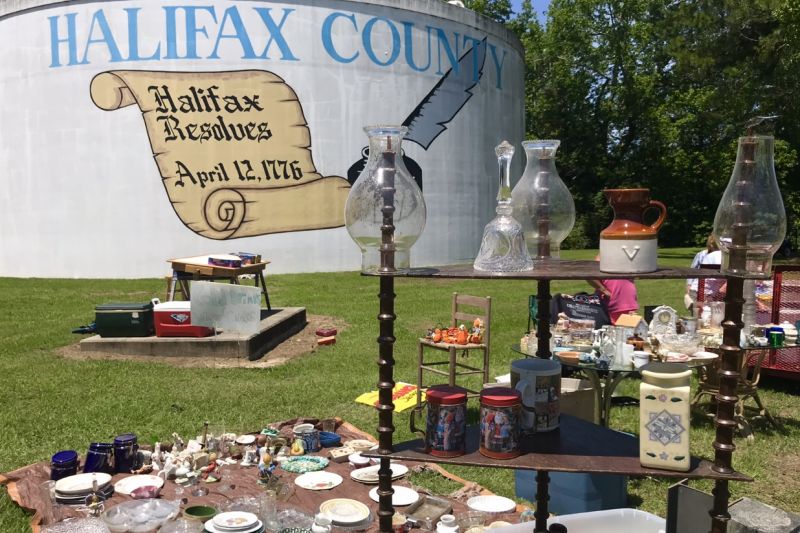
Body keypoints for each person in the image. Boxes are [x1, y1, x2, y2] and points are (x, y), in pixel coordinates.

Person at [588, 256, 638, 323]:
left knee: (629, 330)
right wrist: (603, 290)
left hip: (628, 302)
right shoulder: (604, 256)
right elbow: (589, 275)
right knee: (612, 330)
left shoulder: (626, 254)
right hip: (612, 303)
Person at [685, 235, 719, 311]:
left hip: (710, 290)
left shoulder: (720, 256)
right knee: (698, 313)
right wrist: (688, 285)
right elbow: (692, 270)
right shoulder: (701, 254)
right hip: (699, 288)